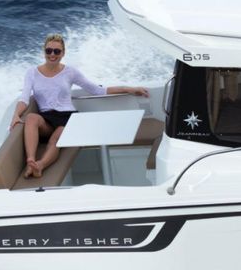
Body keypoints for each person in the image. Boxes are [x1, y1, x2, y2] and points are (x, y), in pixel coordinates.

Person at [10, 33, 149, 178]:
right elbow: (24, 98)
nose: (52, 54)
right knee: (31, 117)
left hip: (67, 117)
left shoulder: (70, 72)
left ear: (63, 53)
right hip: (47, 118)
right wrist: (16, 115)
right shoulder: (32, 72)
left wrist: (129, 89)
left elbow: (97, 90)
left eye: (57, 51)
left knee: (55, 139)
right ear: (44, 51)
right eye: (48, 50)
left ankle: (40, 166)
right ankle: (30, 160)